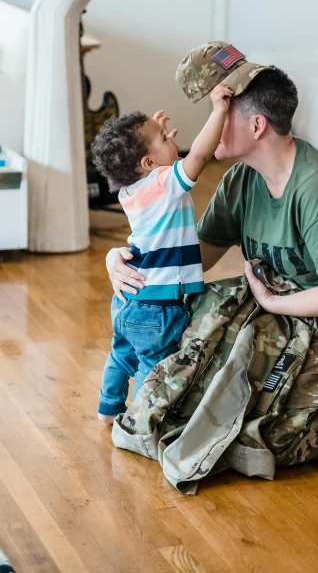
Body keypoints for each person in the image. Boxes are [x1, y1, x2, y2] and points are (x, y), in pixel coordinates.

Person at [106, 41, 318, 445]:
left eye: (221, 114)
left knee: (269, 436)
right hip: (282, 302)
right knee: (198, 399)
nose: (205, 131)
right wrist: (120, 260)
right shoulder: (240, 180)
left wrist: (274, 304)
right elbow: (196, 258)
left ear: (257, 125)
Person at [92, 82, 233, 423]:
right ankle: (142, 421)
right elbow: (198, 157)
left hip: (129, 299)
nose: (172, 136)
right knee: (151, 365)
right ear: (149, 161)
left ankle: (108, 409)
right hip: (158, 305)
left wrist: (155, 137)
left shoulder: (131, 189)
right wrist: (219, 111)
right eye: (165, 137)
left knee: (121, 354)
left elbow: (152, 159)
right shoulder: (163, 183)